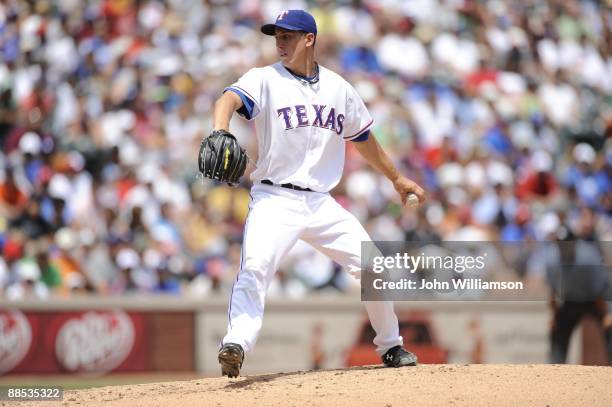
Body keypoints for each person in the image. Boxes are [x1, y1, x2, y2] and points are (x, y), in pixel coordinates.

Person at [212, 10, 426, 378]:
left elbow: (362, 138)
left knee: (373, 264)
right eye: (276, 36)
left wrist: (396, 178)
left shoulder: (339, 88)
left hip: (321, 202)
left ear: (309, 38)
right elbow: (228, 100)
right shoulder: (264, 79)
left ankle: (391, 346)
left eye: (288, 36)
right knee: (255, 267)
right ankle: (236, 343)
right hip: (274, 199)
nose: (280, 42)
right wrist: (219, 131)